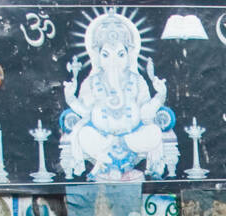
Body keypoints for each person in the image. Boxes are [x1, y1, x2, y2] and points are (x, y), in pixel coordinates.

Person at [61, 12, 167, 179]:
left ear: (129, 55)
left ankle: (116, 163)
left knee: (154, 132)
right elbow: (85, 113)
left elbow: (146, 112)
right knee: (83, 135)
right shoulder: (91, 82)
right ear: (97, 56)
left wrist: (161, 94)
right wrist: (70, 98)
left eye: (120, 54)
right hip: (101, 139)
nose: (113, 60)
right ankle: (107, 164)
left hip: (132, 138)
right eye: (106, 55)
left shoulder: (137, 80)